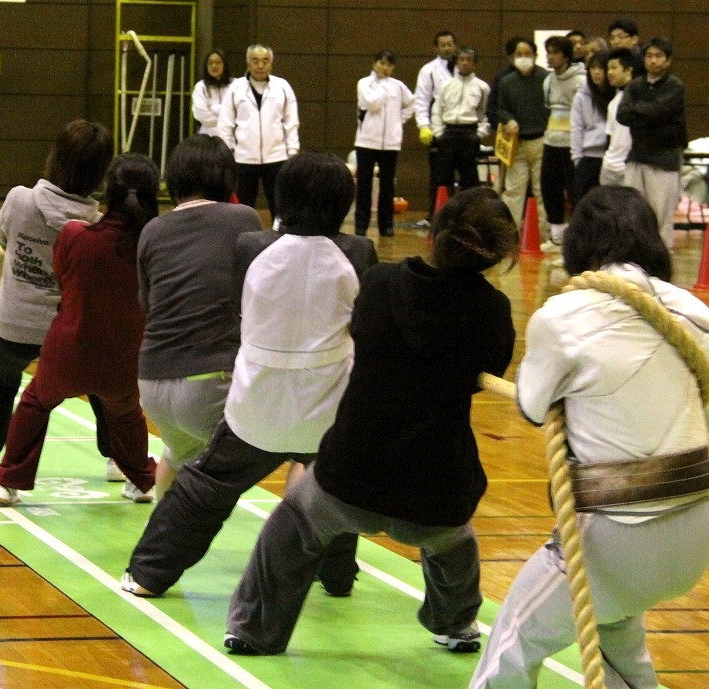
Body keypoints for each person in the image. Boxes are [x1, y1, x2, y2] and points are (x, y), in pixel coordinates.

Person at [223, 185, 518, 658]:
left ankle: (253, 630)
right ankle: (457, 623)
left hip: (349, 476)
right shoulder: (492, 311)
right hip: (435, 489)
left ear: (434, 236)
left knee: (291, 525)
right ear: (497, 255)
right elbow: (487, 372)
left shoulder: (381, 283)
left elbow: (362, 332)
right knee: (455, 544)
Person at [469, 185, 709, 689]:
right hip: (697, 529)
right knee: (618, 634)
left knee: (512, 643)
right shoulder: (693, 310)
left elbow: (534, 406)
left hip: (619, 531)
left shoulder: (564, 316)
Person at [121, 151, 377, 599]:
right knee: (334, 484)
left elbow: (242, 312)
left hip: (256, 404)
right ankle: (336, 577)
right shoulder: (358, 251)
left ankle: (147, 573)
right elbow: (363, 325)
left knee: (204, 486)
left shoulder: (251, 245)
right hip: (327, 408)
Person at [0, 154, 160, 506]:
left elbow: (64, 281)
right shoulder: (151, 247)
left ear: (107, 190)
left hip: (70, 347)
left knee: (35, 403)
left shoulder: (75, 235)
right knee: (126, 415)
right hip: (123, 355)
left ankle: (8, 482)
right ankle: (142, 481)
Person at [0, 120, 117, 480]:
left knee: (2, 376)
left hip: (17, 321)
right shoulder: (97, 223)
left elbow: (4, 240)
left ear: (55, 157)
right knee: (101, 385)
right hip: (72, 327)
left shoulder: (20, 200)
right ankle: (119, 459)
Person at [137, 135, 262, 499]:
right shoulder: (244, 218)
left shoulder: (152, 230)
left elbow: (148, 305)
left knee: (178, 453)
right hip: (209, 381)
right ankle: (296, 553)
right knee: (297, 449)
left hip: (151, 384)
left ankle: (157, 550)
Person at [617, 37, 687, 251]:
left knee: (660, 216)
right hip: (637, 155)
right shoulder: (635, 85)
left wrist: (639, 110)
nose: (653, 61)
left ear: (668, 61)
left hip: (663, 158)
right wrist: (647, 111)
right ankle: (633, 256)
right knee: (632, 211)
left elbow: (659, 111)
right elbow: (622, 114)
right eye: (649, 56)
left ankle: (662, 258)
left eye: (658, 56)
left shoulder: (675, 86)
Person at [217, 44, 299, 220]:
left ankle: (280, 237)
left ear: (271, 64)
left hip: (276, 157)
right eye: (255, 61)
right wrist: (227, 152)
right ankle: (243, 237)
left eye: (265, 61)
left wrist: (292, 151)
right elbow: (225, 124)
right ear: (248, 63)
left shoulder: (282, 86)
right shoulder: (235, 88)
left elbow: (291, 121)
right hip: (244, 158)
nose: (260, 65)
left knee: (279, 204)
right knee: (244, 206)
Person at [353, 49, 414, 237]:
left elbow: (411, 104)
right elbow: (373, 104)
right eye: (382, 63)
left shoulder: (399, 86)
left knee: (388, 185)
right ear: (374, 63)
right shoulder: (365, 83)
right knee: (364, 184)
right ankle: (361, 225)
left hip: (391, 143)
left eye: (389, 65)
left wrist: (398, 120)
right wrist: (382, 85)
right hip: (366, 141)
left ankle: (386, 225)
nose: (385, 68)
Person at [497, 38, 549, 235]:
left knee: (541, 191)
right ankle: (509, 234)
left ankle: (542, 235)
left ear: (535, 56)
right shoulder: (506, 82)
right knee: (512, 191)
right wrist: (508, 119)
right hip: (517, 144)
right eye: (519, 55)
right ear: (511, 58)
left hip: (541, 142)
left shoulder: (546, 79)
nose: (523, 58)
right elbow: (501, 109)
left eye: (528, 54)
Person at [539, 36, 586, 251]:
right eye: (548, 52)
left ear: (566, 56)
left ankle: (577, 237)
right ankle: (556, 236)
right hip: (551, 141)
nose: (550, 57)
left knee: (575, 190)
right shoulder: (548, 81)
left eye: (555, 52)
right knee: (550, 187)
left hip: (572, 144)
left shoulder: (580, 80)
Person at [413, 30, 458, 228]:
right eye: (443, 44)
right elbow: (421, 100)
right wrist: (424, 126)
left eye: (450, 44)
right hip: (438, 130)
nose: (447, 48)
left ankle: (458, 215)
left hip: (461, 128)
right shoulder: (428, 70)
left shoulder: (463, 66)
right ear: (436, 47)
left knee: (463, 176)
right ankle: (435, 214)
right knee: (439, 175)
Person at [431, 47, 489, 197]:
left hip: (469, 133)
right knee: (442, 178)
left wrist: (479, 134)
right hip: (448, 133)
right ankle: (439, 215)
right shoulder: (446, 85)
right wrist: (438, 133)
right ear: (456, 63)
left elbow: (485, 114)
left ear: (475, 64)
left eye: (469, 60)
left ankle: (467, 215)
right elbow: (437, 110)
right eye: (461, 59)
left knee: (469, 179)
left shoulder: (482, 87)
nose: (464, 63)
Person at [570, 50, 614, 202]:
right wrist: (577, 158)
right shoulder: (581, 96)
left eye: (601, 68)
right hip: (588, 157)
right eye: (593, 68)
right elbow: (576, 127)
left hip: (611, 158)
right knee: (585, 203)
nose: (596, 72)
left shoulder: (617, 96)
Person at [599, 47, 636, 187]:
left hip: (628, 167)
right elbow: (610, 136)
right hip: (609, 166)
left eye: (614, 68)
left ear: (628, 70)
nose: (609, 73)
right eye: (608, 68)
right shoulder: (614, 101)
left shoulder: (638, 97)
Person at [191, 50, 232, 137]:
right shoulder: (200, 86)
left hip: (231, 137)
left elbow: (238, 112)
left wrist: (213, 108)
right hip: (207, 137)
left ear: (224, 64)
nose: (214, 66)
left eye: (218, 62)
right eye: (210, 63)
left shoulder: (235, 85)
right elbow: (200, 114)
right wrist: (226, 116)